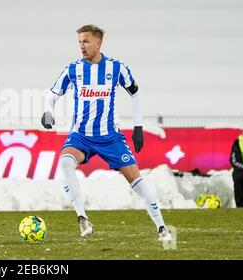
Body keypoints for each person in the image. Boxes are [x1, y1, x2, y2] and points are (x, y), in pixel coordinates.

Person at [41, 24, 171, 241]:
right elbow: (53, 93)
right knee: (65, 163)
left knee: (136, 181)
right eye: (79, 42)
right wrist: (47, 110)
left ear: (98, 43)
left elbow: (135, 93)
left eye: (86, 41)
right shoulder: (72, 69)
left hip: (110, 137)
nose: (82, 46)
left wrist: (138, 127)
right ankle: (82, 218)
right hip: (81, 136)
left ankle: (162, 228)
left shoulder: (116, 68)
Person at [230, 125, 243, 207]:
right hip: (242, 170)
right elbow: (234, 160)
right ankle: (241, 205)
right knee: (238, 176)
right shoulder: (237, 143)